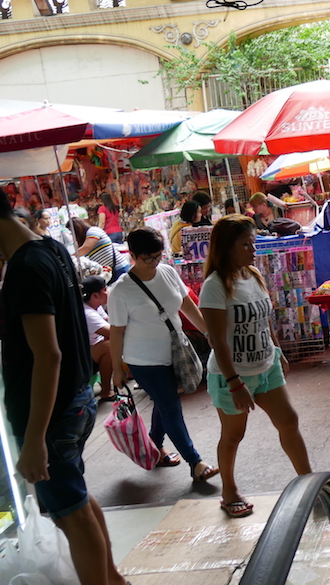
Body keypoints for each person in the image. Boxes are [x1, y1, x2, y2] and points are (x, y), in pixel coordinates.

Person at [0, 191, 128, 585]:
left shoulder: (25, 268)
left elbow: (47, 355)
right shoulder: (50, 249)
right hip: (73, 399)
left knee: (71, 514)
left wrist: (35, 438)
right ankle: (114, 579)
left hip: (50, 415)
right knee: (77, 500)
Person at [199, 215, 311, 518]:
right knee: (234, 435)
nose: (253, 250)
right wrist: (234, 383)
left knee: (289, 420)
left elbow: (265, 320)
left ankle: (307, 481)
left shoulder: (252, 274)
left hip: (266, 365)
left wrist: (278, 351)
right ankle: (229, 490)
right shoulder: (214, 286)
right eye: (246, 245)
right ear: (226, 248)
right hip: (232, 375)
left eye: (253, 243)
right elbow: (218, 341)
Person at [108, 227, 218, 481]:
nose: (155, 262)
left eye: (158, 255)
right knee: (170, 405)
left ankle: (154, 444)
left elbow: (187, 305)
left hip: (176, 352)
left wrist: (207, 333)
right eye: (149, 258)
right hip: (144, 361)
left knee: (164, 401)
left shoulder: (167, 272)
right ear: (133, 255)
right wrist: (117, 370)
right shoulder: (121, 290)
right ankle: (195, 461)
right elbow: (117, 333)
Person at [81, 276, 115, 402]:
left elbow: (110, 322)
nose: (108, 293)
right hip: (83, 359)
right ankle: (106, 390)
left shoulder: (96, 306)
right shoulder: (87, 313)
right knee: (109, 346)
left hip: (92, 350)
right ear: (95, 295)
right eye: (105, 290)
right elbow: (113, 332)